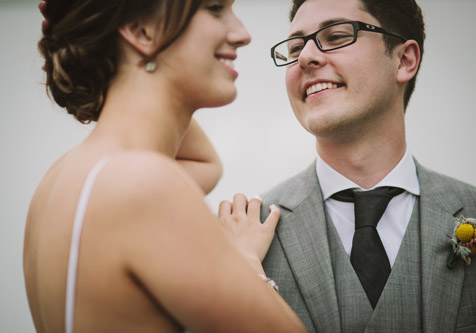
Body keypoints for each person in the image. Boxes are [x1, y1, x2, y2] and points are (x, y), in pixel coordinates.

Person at [23, 0, 307, 331]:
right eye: (215, 8)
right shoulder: (143, 185)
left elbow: (206, 164)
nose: (243, 34)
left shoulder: (62, 178)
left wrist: (110, 67)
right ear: (140, 30)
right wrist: (244, 260)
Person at [259, 0, 476, 331]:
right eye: (295, 46)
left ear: (404, 60)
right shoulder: (242, 236)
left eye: (336, 36)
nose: (304, 57)